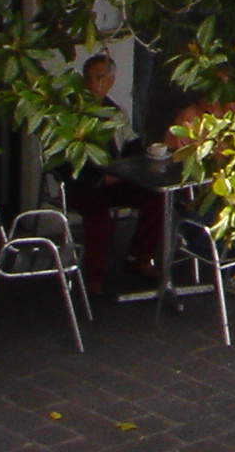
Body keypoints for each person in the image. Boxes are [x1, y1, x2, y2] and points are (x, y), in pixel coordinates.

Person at [61, 52, 161, 291]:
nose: (94, 83)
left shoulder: (115, 113)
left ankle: (138, 258)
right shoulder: (70, 115)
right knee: (99, 219)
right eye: (90, 78)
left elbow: (132, 144)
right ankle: (94, 276)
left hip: (116, 181)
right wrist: (97, 177)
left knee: (155, 198)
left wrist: (143, 159)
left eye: (100, 78)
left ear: (111, 81)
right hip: (84, 185)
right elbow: (63, 162)